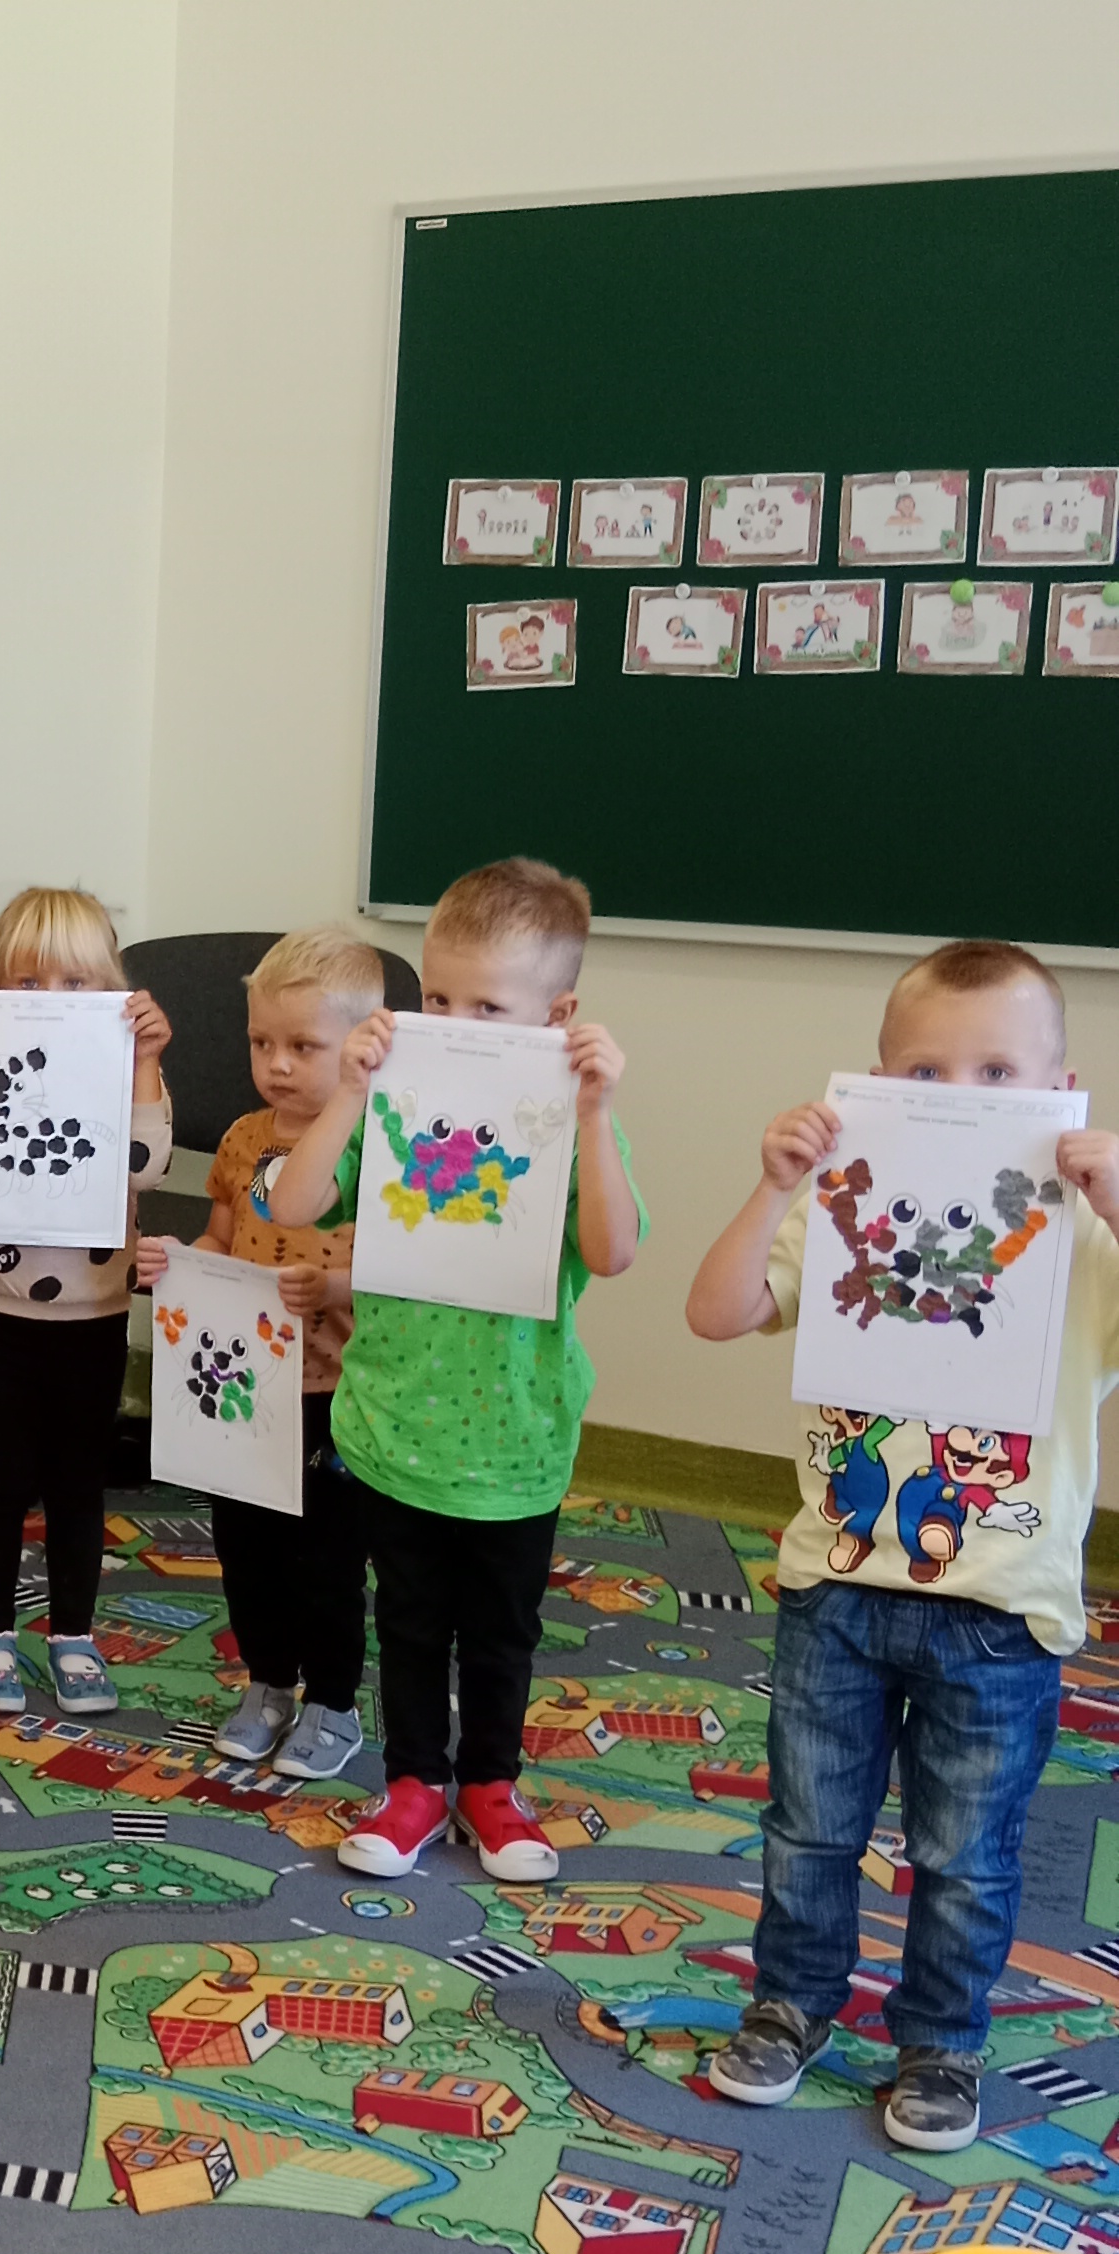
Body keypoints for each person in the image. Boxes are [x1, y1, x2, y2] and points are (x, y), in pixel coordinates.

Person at [684, 936, 1119, 2151]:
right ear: (877, 1081)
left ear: (1058, 1087)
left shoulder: (1087, 1242)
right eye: (926, 1073)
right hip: (838, 1587)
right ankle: (790, 2004)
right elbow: (715, 1312)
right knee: (809, 1827)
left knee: (965, 1853)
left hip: (1003, 1608)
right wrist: (773, 1186)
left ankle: (941, 2041)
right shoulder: (846, 1212)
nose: (960, 1097)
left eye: (998, 1074)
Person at [269, 856, 638, 1879]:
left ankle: (491, 1786)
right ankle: (415, 1785)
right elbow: (292, 1205)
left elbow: (612, 1252)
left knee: (501, 1632)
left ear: (557, 1016)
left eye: (487, 1005)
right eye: (437, 998)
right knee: (411, 1622)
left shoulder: (570, 1122)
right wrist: (351, 1090)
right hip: (397, 1424)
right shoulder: (396, 1102)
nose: (453, 1022)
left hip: (518, 1438)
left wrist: (598, 1113)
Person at [135, 925, 377, 1779]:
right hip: (245, 1383)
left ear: (359, 1048)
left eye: (302, 1046)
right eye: (260, 1042)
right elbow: (223, 1235)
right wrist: (182, 1263)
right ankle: (269, 1681)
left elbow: (403, 1274)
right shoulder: (243, 1138)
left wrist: (334, 1288)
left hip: (337, 1390)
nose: (276, 1063)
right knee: (246, 1547)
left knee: (328, 1559)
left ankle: (334, 1702)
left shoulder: (379, 1145)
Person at [0, 884, 173, 1712]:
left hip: (94, 1314)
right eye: (27, 983)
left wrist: (145, 1061)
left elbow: (144, 1164)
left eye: (76, 982)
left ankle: (73, 1635)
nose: (52, 1000)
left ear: (112, 990)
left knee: (76, 1484)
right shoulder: (4, 1058)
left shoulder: (125, 1067)